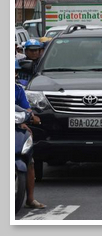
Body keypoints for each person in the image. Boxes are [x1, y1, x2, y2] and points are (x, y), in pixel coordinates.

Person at [15, 60, 46, 209]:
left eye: (14, 71)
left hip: (14, 128)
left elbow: (27, 109)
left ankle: (30, 198)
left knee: (30, 161)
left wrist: (29, 117)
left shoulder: (18, 90)